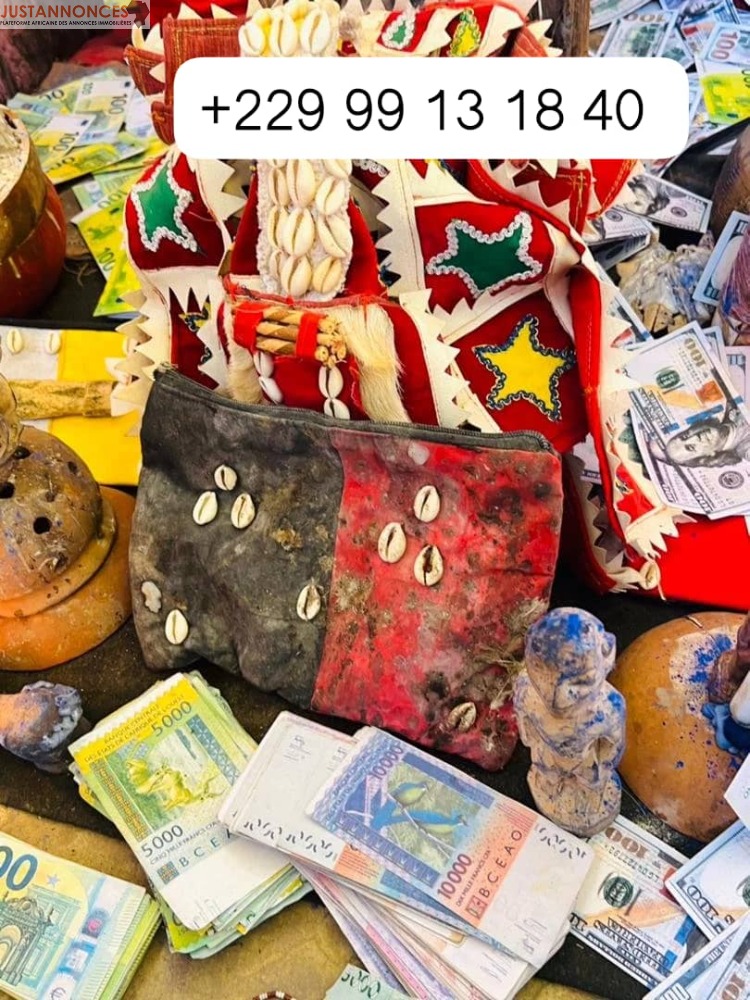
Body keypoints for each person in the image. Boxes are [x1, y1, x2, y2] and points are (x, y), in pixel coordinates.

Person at [663, 407, 750, 468]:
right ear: (708, 456)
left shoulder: (729, 404)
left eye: (685, 436)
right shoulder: (746, 449)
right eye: (691, 447)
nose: (695, 437)